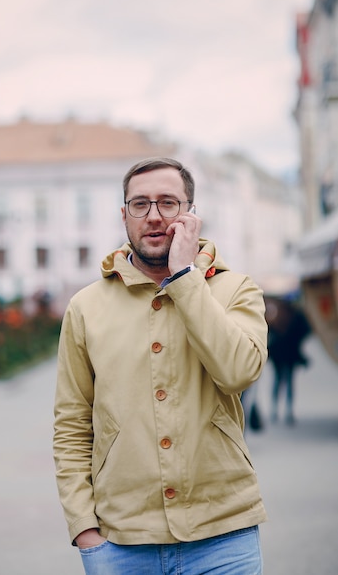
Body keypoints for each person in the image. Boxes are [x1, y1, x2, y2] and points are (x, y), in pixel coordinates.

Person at [53, 157, 268, 575]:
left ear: (191, 214)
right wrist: (84, 529)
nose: (153, 217)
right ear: (124, 215)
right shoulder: (86, 307)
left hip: (224, 535)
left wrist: (185, 277)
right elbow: (72, 423)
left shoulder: (236, 288)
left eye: (168, 203)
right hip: (122, 543)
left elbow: (239, 371)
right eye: (140, 204)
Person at [264, 294, 311, 425]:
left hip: (283, 353)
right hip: (286, 353)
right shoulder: (293, 317)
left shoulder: (279, 317)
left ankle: (279, 409)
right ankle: (281, 409)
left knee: (281, 380)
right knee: (285, 380)